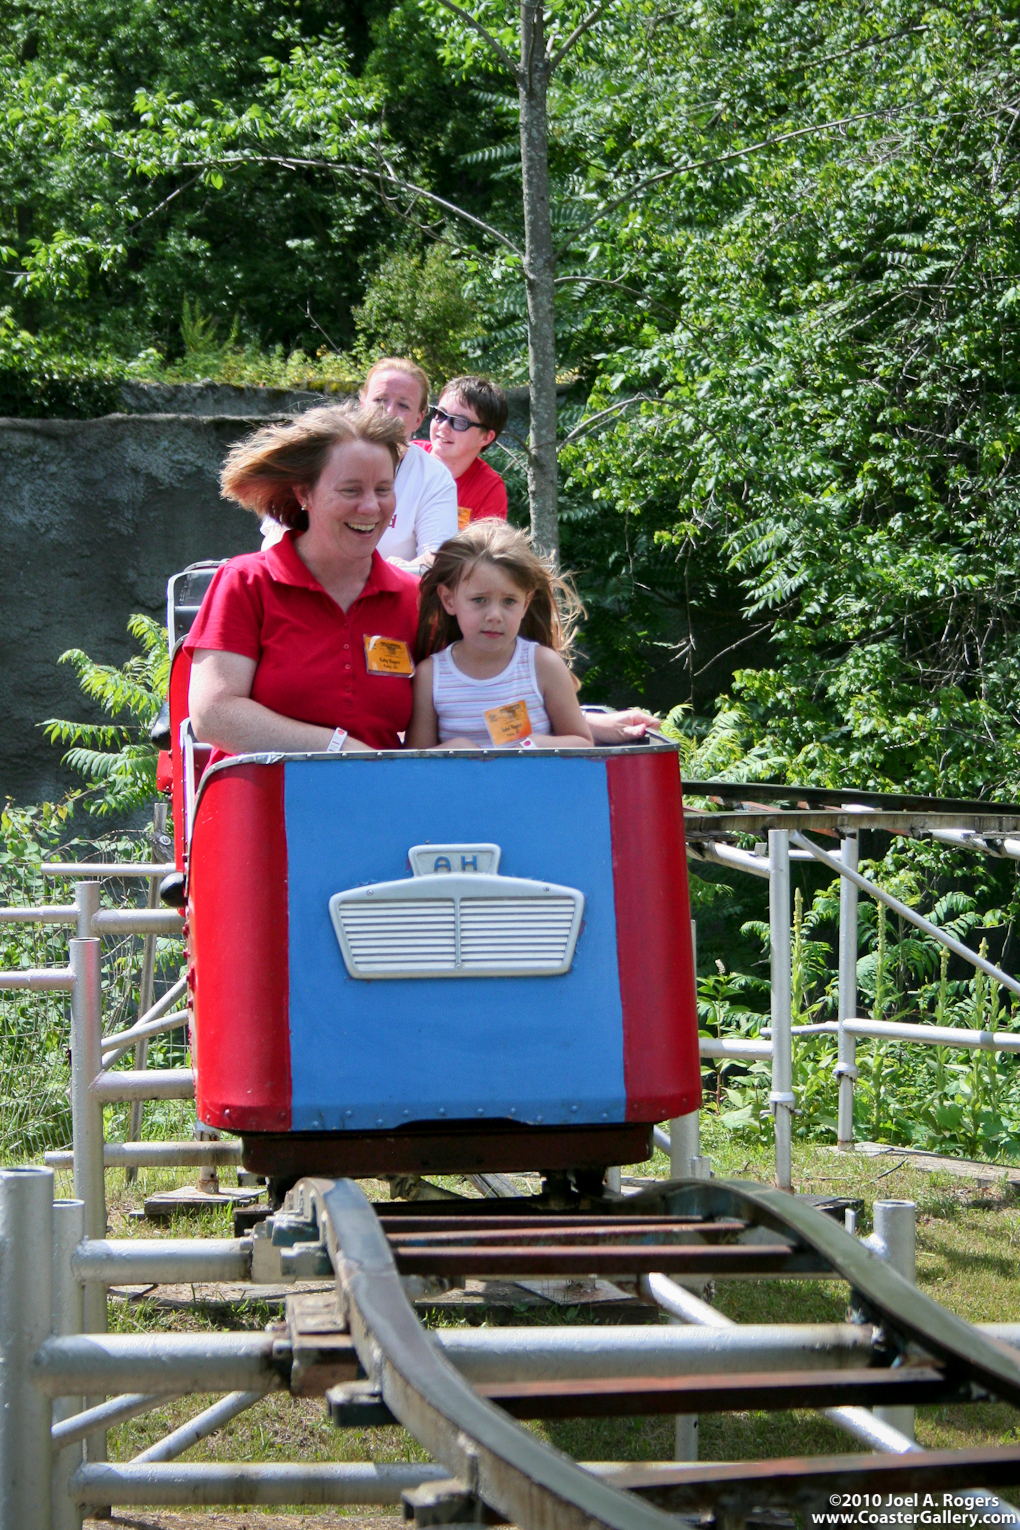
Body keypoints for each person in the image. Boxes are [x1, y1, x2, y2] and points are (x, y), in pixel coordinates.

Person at [187, 404, 418, 757]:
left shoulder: (414, 598)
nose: (371, 507)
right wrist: (338, 750)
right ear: (304, 493)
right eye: (351, 490)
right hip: (268, 805)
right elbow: (213, 714)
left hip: (382, 805)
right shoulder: (247, 582)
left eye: (383, 489)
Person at [407, 521, 594, 750]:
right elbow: (414, 762)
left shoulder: (542, 665)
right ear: (449, 600)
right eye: (479, 600)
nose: (495, 615)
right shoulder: (431, 676)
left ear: (526, 603)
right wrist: (452, 753)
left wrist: (531, 746)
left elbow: (583, 743)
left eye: (509, 601)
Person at [261, 357, 457, 571]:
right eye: (380, 400)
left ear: (419, 419)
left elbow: (436, 559)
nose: (389, 412)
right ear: (362, 404)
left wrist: (386, 576)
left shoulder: (434, 477)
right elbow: (274, 538)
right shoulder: (318, 456)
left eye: (403, 405)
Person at [424, 375, 509, 529]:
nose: (443, 426)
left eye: (459, 422)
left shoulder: (489, 490)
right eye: (440, 414)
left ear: (485, 437)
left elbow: (481, 551)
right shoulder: (403, 455)